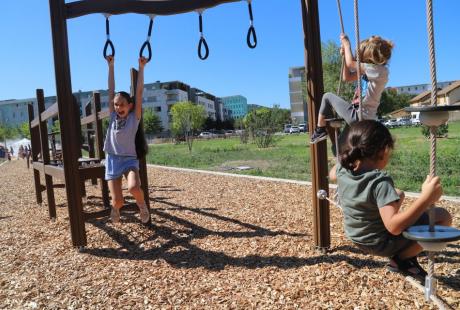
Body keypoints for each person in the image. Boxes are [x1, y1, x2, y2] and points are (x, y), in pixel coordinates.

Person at [329, 120, 452, 278]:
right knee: (443, 217)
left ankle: (403, 257)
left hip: (356, 236)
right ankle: (402, 259)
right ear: (384, 151)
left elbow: (333, 174)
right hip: (380, 243)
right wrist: (425, 198)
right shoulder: (379, 182)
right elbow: (394, 227)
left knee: (398, 195)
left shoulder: (343, 169)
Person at [310, 34, 394, 144]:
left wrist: (346, 45)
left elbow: (351, 64)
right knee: (339, 148)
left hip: (360, 116)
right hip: (359, 117)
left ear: (368, 56)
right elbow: (347, 77)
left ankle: (320, 129)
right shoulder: (370, 71)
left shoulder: (380, 71)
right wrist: (345, 57)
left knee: (327, 96)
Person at [103, 55, 150, 224]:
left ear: (130, 106)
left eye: (122, 104)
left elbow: (138, 92)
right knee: (118, 201)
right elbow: (111, 89)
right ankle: (115, 208)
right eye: (116, 104)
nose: (118, 107)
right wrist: (111, 66)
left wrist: (142, 68)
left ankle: (142, 206)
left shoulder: (134, 118)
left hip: (129, 159)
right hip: (113, 159)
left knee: (133, 187)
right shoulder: (113, 115)